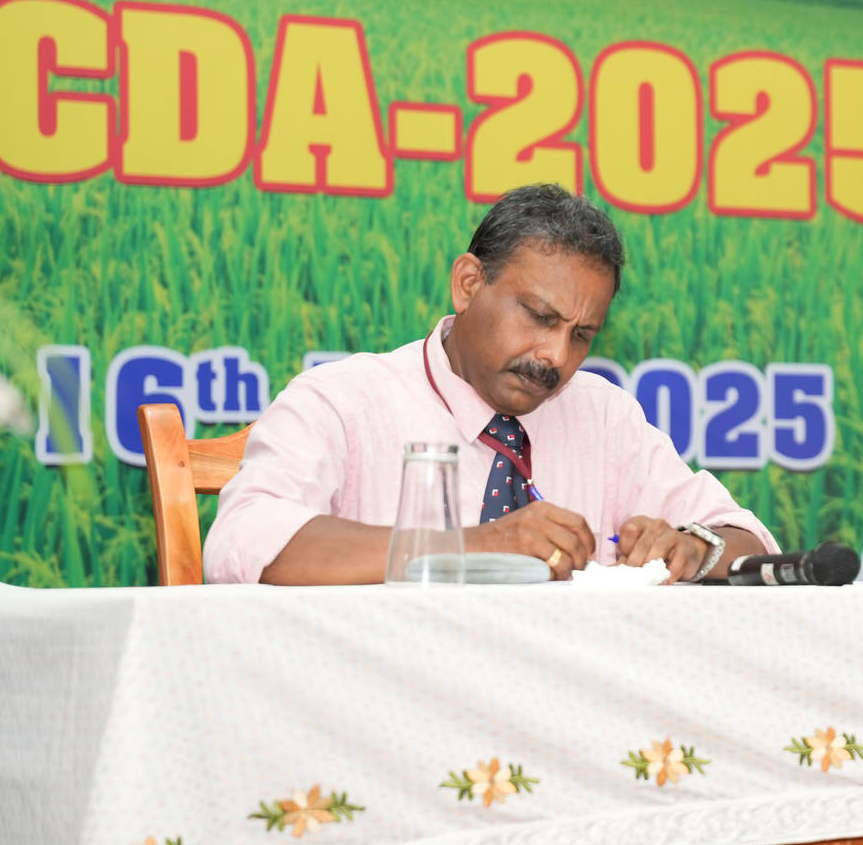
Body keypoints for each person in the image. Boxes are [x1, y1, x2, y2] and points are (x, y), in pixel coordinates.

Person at [204, 185, 778, 584]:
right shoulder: (343, 401)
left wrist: (696, 548)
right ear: (468, 284)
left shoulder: (603, 416)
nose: (555, 357)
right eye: (540, 317)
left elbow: (749, 540)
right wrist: (477, 546)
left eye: (582, 335)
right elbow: (244, 541)